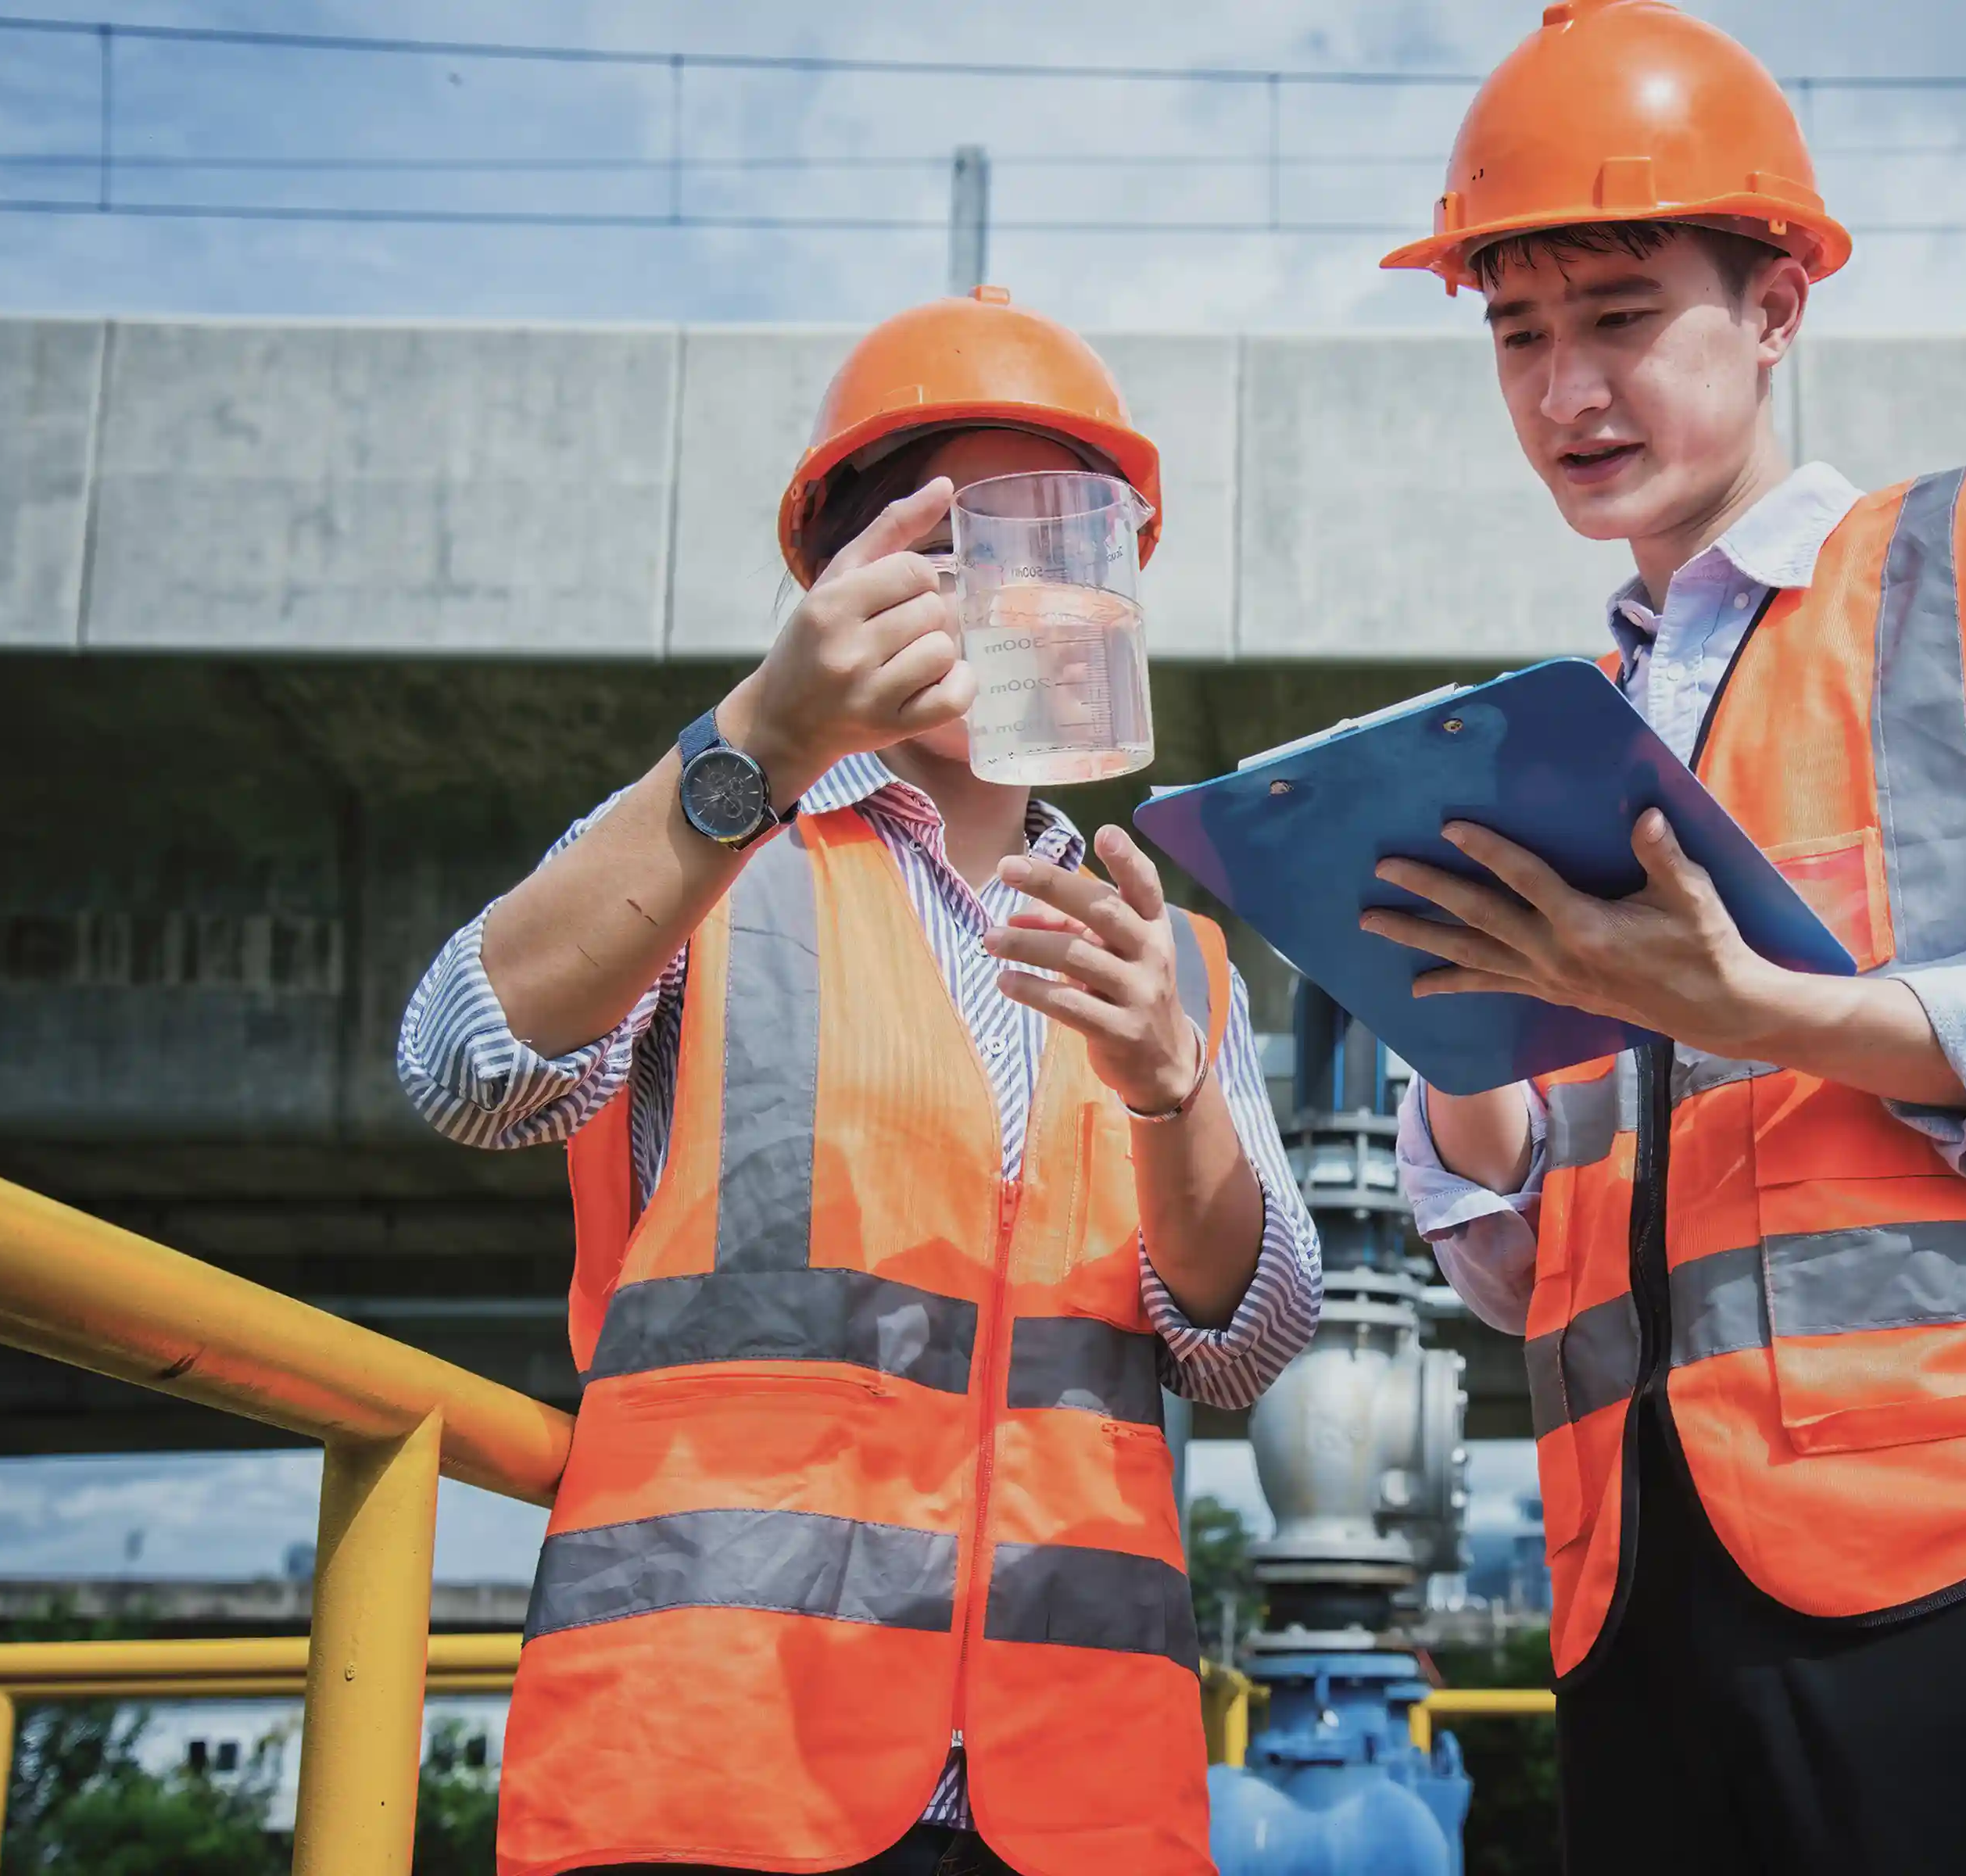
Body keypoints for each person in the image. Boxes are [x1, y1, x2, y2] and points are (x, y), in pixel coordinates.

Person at [1372, 5, 1966, 1871]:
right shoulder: (1555, 730)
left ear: (1774, 306)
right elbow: (1516, 1264)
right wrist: (1454, 1052)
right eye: (1516, 335)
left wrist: (1772, 1013)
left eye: (1619, 317)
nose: (1560, 393)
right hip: (1643, 1598)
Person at [396, 287, 1320, 1876]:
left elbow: (1243, 1344)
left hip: (1074, 1798)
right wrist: (761, 731)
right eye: (945, 547)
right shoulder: (706, 847)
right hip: (715, 1768)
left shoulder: (1166, 949)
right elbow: (468, 1069)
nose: (999, 598)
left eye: (1051, 547)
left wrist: (1173, 1092)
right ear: (836, 574)